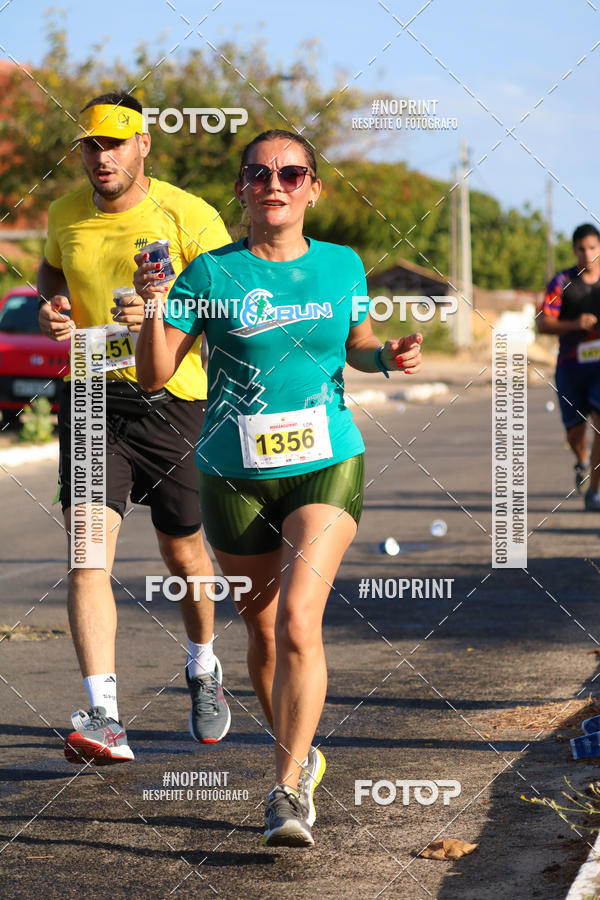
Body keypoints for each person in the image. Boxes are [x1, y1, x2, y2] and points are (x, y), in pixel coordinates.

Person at [134, 129, 423, 846]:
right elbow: (153, 374)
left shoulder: (341, 265)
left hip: (328, 460)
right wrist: (154, 306)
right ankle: (301, 755)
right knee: (262, 634)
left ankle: (287, 790)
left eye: (292, 173)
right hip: (233, 473)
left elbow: (354, 345)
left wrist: (386, 356)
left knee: (299, 621)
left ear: (313, 188)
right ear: (242, 188)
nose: (275, 184)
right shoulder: (207, 275)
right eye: (260, 173)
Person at [37, 90, 232, 764]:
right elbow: (51, 274)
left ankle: (204, 665)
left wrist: (160, 314)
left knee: (183, 553)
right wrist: (54, 310)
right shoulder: (65, 213)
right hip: (92, 400)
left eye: (117, 143)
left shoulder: (188, 213)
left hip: (176, 403)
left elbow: (227, 300)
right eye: (92, 144)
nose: (103, 156)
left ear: (144, 144)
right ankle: (105, 715)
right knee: (87, 557)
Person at [538, 223, 600, 510]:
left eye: (593, 248)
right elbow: (543, 323)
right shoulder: (562, 281)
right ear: (574, 250)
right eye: (581, 249)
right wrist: (574, 324)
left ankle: (596, 492)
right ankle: (582, 460)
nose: (587, 254)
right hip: (571, 367)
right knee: (576, 432)